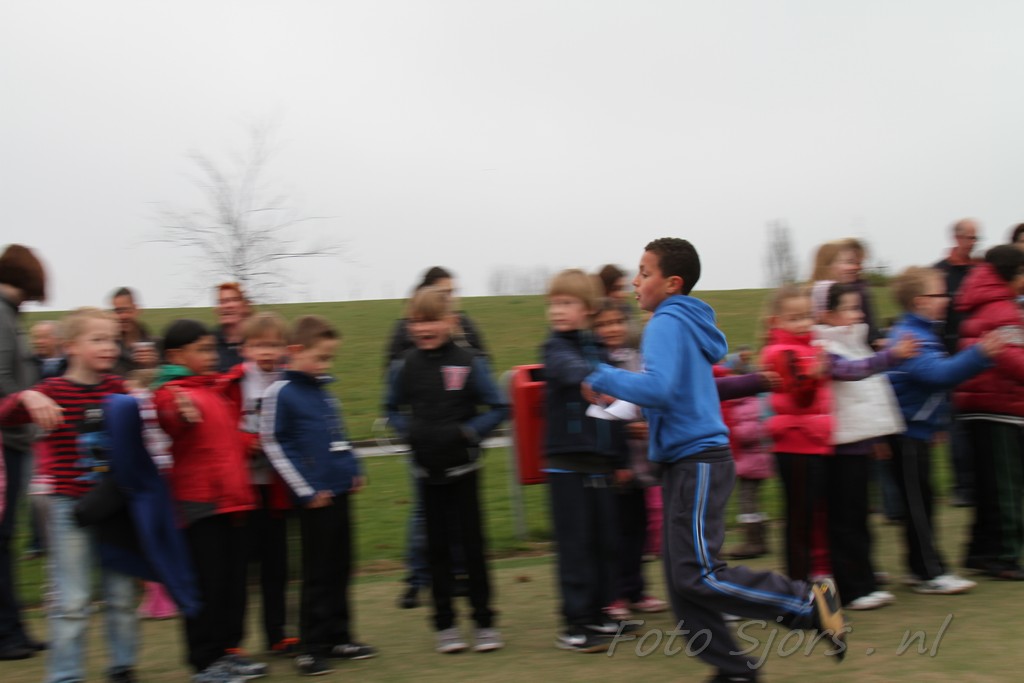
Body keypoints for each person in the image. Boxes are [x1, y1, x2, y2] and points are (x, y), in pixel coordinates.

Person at [586, 239, 846, 682]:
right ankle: (734, 671)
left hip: (697, 461)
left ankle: (808, 602)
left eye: (644, 272)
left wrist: (600, 375)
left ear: (672, 283)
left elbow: (659, 389)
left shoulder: (665, 322)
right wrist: (750, 383)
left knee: (698, 575)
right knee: (682, 585)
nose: (635, 281)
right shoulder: (683, 323)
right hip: (684, 462)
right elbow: (692, 391)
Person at [0, 307, 138, 683]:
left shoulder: (118, 388)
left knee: (121, 595)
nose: (109, 346)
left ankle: (122, 668)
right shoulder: (52, 391)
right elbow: (5, 415)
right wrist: (27, 397)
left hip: (115, 505)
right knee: (72, 600)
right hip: (69, 506)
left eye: (113, 339)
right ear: (71, 346)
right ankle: (65, 676)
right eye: (98, 339)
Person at [385, 287, 508, 654]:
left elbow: (500, 406)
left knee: (472, 548)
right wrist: (408, 431)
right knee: (435, 551)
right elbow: (390, 409)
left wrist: (469, 432)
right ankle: (445, 625)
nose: (424, 328)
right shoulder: (404, 366)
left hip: (465, 471)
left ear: (450, 322)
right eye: (417, 322)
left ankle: (484, 622)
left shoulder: (469, 361)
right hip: (426, 474)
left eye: (432, 321)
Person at [261, 315, 375, 675]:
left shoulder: (324, 392)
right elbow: (274, 443)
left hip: (340, 492)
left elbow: (338, 436)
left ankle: (339, 636)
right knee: (317, 572)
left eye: (330, 358)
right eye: (321, 357)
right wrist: (306, 489)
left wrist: (353, 468)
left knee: (341, 566)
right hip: (314, 498)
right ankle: (310, 647)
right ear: (296, 351)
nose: (326, 365)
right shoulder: (281, 392)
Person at [153, 319, 261, 683]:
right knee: (207, 584)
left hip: (234, 500)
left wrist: (252, 443)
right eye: (201, 350)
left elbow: (226, 438)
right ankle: (204, 661)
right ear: (175, 356)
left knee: (232, 584)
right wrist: (179, 413)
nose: (211, 355)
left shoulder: (215, 391)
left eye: (212, 349)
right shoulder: (171, 391)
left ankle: (228, 651)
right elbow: (170, 417)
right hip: (201, 503)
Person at [886, 266, 1001, 593]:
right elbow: (937, 375)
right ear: (920, 301)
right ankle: (929, 573)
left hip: (915, 430)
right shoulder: (911, 337)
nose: (947, 299)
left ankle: (919, 567)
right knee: (918, 504)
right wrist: (979, 354)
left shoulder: (922, 332)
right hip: (904, 433)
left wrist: (935, 423)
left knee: (922, 500)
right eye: (939, 294)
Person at [812, 282, 917, 610]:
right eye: (849, 308)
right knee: (845, 519)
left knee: (859, 516)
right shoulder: (824, 346)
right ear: (827, 314)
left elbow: (872, 395)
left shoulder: (854, 342)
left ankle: (865, 581)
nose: (858, 314)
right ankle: (852, 589)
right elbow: (851, 373)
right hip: (840, 448)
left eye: (858, 307)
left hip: (859, 444)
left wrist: (878, 437)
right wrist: (891, 355)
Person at [385, 267, 484, 609]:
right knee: (424, 514)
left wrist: (470, 428)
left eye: (453, 292)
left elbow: (481, 367)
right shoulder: (407, 330)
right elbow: (394, 380)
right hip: (425, 445)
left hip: (459, 446)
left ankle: (459, 576)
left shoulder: (464, 326)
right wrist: (410, 431)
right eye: (445, 292)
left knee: (462, 517)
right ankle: (418, 578)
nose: (451, 297)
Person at [542, 269, 630, 653]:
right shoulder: (555, 347)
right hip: (567, 465)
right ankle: (574, 624)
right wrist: (592, 378)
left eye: (567, 303)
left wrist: (621, 459)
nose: (558, 310)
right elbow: (566, 368)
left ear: (589, 308)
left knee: (604, 542)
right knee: (575, 545)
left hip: (601, 465)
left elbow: (616, 413)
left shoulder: (602, 353)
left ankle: (598, 613)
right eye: (553, 304)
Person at [219, 313, 295, 656]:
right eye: (259, 345)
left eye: (274, 345)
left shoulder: (289, 381)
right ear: (245, 348)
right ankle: (232, 641)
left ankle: (277, 635)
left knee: (276, 567)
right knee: (236, 570)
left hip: (275, 490)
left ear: (285, 348)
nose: (267, 352)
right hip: (242, 490)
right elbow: (220, 429)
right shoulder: (233, 383)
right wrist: (245, 442)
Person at [590, 299, 667, 622]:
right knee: (615, 531)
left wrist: (647, 423)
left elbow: (648, 396)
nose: (611, 329)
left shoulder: (637, 357)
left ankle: (636, 590)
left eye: (616, 322)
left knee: (638, 528)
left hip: (640, 461)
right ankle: (615, 594)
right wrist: (623, 436)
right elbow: (597, 413)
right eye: (603, 324)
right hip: (611, 461)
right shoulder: (595, 363)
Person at [954, 245, 1024, 580]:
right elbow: (1012, 359)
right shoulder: (1003, 309)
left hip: (980, 405)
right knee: (1007, 486)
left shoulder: (982, 304)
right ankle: (1005, 555)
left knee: (988, 485)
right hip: (1000, 407)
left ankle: (981, 551)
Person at [0, 244, 46, 660]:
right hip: (6, 443)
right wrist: (27, 403)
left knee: (6, 539)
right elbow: (3, 380)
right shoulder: (1, 314)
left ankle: (14, 629)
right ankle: (6, 635)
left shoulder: (10, 315)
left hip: (14, 441)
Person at [935, 219, 981, 508]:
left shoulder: (980, 270)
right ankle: (963, 486)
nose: (973, 243)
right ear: (957, 237)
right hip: (952, 357)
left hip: (980, 356)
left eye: (976, 238)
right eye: (969, 237)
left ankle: (980, 482)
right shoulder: (941, 272)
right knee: (957, 427)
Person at [110, 287, 159, 376]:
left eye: (126, 310)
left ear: (137, 310)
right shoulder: (109, 348)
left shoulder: (157, 345)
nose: (122, 316)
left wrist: (151, 366)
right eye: (118, 311)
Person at [214, 283, 253, 373]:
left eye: (234, 300)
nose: (227, 306)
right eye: (222, 302)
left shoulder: (259, 339)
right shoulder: (210, 343)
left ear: (246, 306)